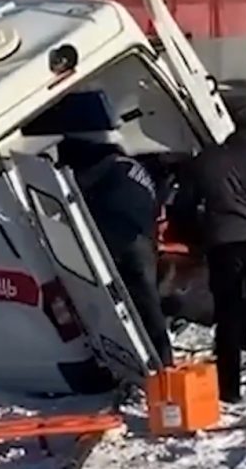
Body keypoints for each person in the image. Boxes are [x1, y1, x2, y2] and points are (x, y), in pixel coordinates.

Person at [170, 101, 246, 403]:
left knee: (228, 313)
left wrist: (198, 236)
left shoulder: (209, 159)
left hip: (222, 243)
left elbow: (183, 204)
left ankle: (229, 386)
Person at [57, 132, 175, 368]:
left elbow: (70, 188)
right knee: (147, 303)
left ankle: (126, 359)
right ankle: (162, 359)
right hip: (142, 239)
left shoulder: (105, 168)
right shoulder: (133, 169)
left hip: (119, 239)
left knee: (108, 300)